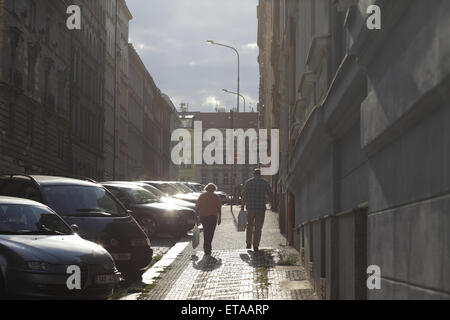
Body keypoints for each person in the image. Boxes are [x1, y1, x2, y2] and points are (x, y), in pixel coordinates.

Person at [241, 168, 273, 252]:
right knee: (258, 228)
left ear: (253, 174)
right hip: (260, 208)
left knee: (249, 226)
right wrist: (272, 203)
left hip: (250, 208)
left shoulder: (248, 182)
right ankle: (255, 245)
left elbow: (244, 195)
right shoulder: (265, 182)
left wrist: (242, 206)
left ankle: (248, 243)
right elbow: (270, 194)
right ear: (260, 174)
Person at [195, 183, 222, 256]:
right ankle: (208, 247)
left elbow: (197, 207)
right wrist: (219, 218)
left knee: (206, 231)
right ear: (214, 189)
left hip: (203, 216)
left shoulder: (202, 196)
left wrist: (197, 217)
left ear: (206, 188)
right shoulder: (216, 197)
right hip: (213, 216)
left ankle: (206, 248)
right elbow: (219, 208)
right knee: (211, 232)